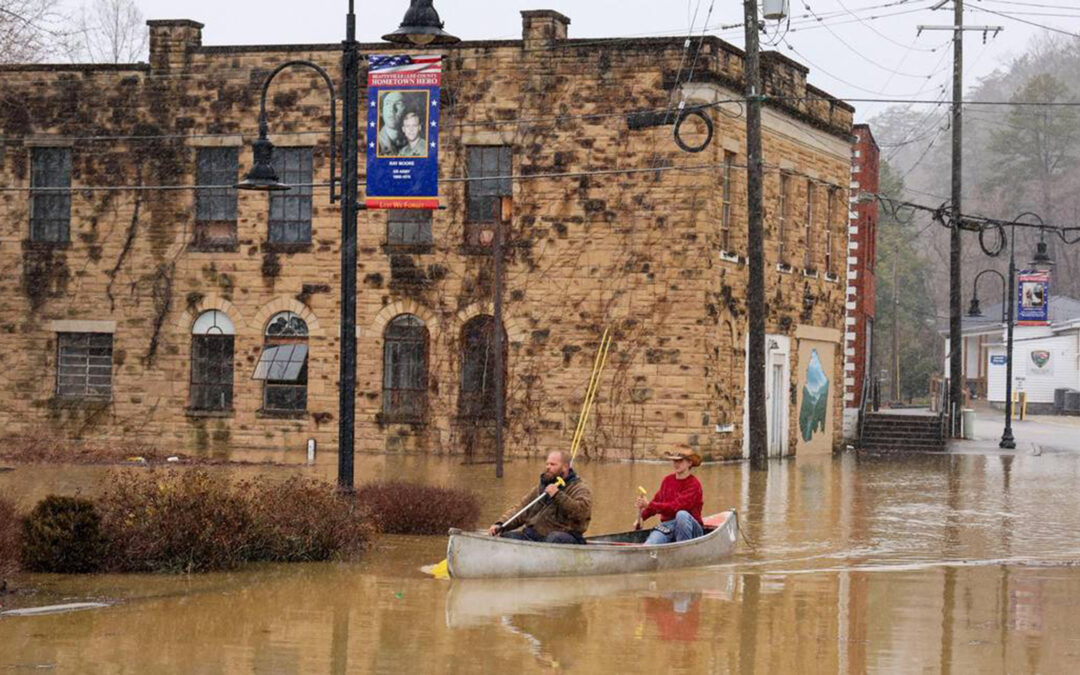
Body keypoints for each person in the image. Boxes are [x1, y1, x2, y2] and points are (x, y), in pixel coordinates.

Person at [488, 450, 592, 544]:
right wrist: (501, 524)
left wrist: (558, 495)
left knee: (554, 538)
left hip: (565, 536)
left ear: (565, 467)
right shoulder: (542, 487)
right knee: (506, 537)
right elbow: (522, 509)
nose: (548, 467)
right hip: (534, 536)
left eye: (553, 464)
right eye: (547, 464)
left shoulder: (579, 488)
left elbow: (582, 513)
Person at [635, 446, 704, 544]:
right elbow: (657, 502)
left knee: (682, 515)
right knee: (649, 544)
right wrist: (642, 517)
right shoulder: (667, 480)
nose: (676, 464)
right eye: (674, 461)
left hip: (693, 529)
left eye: (680, 461)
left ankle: (683, 550)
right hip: (668, 526)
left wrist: (649, 504)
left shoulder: (694, 485)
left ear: (690, 463)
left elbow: (675, 507)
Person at [377, 91, 406, 155]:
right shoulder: (376, 143)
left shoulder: (413, 142)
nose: (392, 109)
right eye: (387, 103)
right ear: (381, 111)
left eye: (398, 104)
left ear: (405, 110)